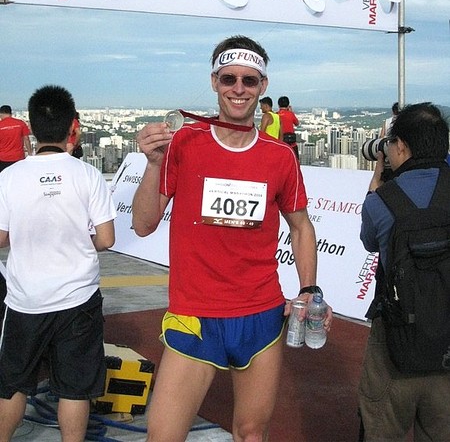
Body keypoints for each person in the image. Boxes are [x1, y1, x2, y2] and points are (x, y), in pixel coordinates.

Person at [132, 35, 332, 442]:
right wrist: (152, 165)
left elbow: (301, 226)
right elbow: (143, 224)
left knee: (251, 433)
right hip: (195, 314)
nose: (238, 89)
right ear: (214, 82)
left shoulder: (280, 156)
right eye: (229, 79)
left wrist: (309, 289)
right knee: (163, 435)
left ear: (262, 85)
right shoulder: (183, 143)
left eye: (249, 80)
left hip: (259, 313)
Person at [0, 85, 116, 442]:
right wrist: (79, 240)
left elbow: (0, 239)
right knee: (74, 389)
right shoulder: (88, 175)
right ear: (72, 127)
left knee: (12, 384)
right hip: (78, 299)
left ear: (32, 128)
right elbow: (106, 239)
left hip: (25, 299)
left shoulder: (8, 177)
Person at [358, 102, 450, 441]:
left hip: (395, 343)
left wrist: (377, 181)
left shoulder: (382, 202)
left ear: (401, 147)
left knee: (383, 429)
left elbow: (369, 241)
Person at [0, 105, 32, 172]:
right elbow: (26, 139)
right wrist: (30, 154)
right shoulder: (20, 123)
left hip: (3, 158)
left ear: (1, 113)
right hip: (19, 157)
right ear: (10, 113)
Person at [277, 96, 300, 161]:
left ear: (279, 105)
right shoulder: (291, 114)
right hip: (292, 142)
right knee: (295, 160)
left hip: (281, 142)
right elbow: (297, 123)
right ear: (288, 105)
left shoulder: (276, 115)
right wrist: (291, 112)